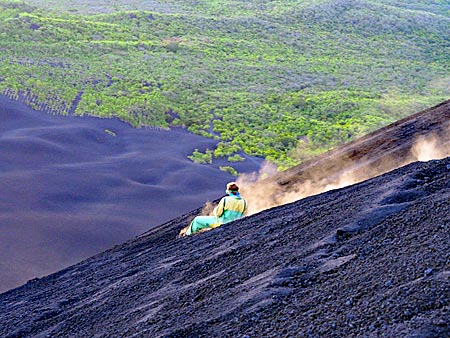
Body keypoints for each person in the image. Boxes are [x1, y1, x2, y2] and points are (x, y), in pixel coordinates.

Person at [179, 182, 247, 237]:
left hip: (221, 222)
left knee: (197, 220)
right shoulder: (244, 201)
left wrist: (215, 210)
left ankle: (187, 235)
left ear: (228, 191)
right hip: (235, 223)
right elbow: (244, 215)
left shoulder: (226, 200)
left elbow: (218, 214)